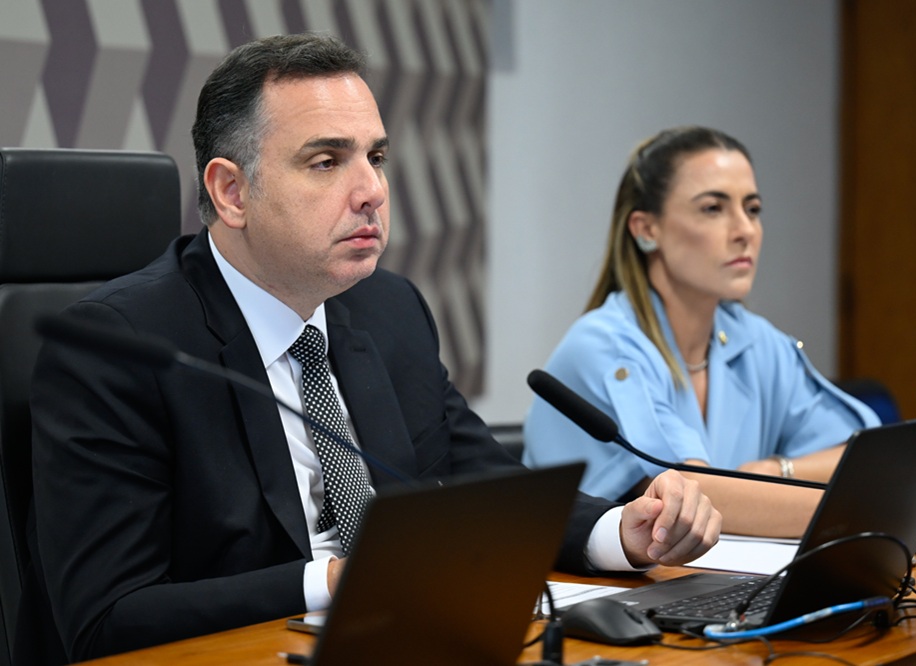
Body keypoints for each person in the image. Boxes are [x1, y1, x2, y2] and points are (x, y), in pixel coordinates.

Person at [22, 36, 721, 664]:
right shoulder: (122, 349)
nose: (373, 192)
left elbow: (481, 486)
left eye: (376, 157)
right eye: (326, 161)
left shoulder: (388, 309)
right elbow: (108, 619)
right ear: (231, 192)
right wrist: (337, 580)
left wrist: (620, 531)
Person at [523, 126, 916, 538]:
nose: (744, 231)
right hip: (596, 587)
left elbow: (860, 454)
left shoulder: (750, 339)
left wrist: (777, 470)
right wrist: (883, 504)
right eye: (713, 208)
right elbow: (686, 495)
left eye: (752, 209)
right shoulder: (603, 346)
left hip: (709, 580)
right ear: (646, 230)